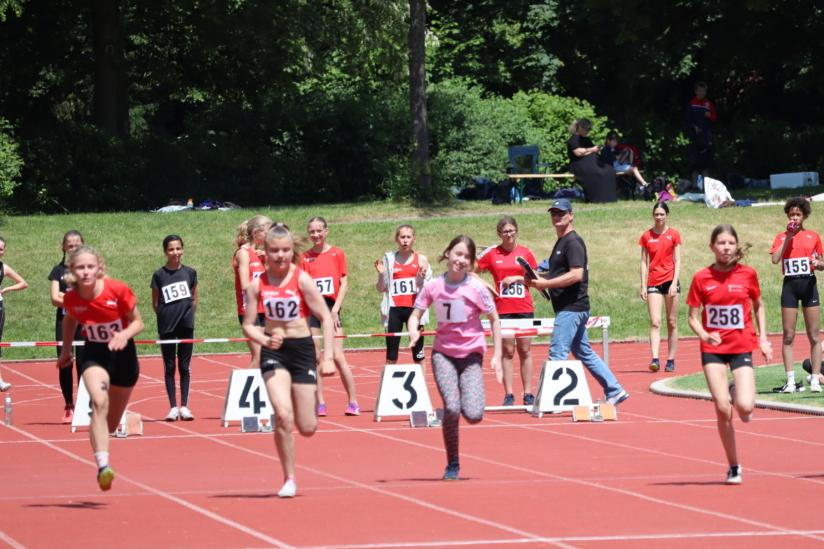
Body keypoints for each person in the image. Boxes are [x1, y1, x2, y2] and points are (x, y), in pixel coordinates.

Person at [242, 225, 335, 498]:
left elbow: (326, 317)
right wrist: (263, 340)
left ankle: (302, 401)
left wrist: (327, 357)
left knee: (307, 427)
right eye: (274, 251)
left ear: (291, 251)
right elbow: (248, 325)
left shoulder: (302, 280)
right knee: (282, 415)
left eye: (285, 250)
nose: (280, 255)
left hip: (302, 349)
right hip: (274, 350)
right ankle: (289, 478)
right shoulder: (256, 285)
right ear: (265, 253)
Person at [408, 235, 502, 480]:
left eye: (466, 257)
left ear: (471, 263)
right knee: (451, 407)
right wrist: (413, 330)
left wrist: (498, 355)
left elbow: (494, 320)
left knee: (473, 414)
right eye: (457, 254)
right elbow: (415, 314)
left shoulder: (477, 288)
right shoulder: (434, 286)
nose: (460, 260)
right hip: (443, 355)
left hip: (471, 355)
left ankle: (468, 398)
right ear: (448, 253)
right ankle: (453, 463)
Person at [686, 224, 772, 485]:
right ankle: (734, 466)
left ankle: (736, 391)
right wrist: (704, 334)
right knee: (722, 409)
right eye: (721, 243)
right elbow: (691, 318)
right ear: (712, 247)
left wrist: (764, 339)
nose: (726, 247)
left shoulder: (748, 275)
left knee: (745, 408)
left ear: (736, 246)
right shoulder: (701, 278)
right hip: (712, 348)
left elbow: (759, 306)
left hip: (741, 345)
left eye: (730, 243)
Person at [57, 246, 144, 491]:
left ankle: (102, 451)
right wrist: (65, 351)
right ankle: (103, 466)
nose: (85, 272)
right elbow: (70, 319)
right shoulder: (72, 298)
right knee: (98, 402)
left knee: (112, 424)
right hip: (94, 353)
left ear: (99, 268)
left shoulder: (117, 290)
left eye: (90, 267)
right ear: (72, 271)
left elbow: (139, 322)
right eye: (80, 267)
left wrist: (124, 334)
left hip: (123, 356)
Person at [525, 199, 629, 405]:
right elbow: (559, 273)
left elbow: (576, 275)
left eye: (561, 213)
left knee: (557, 354)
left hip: (571, 308)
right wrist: (535, 278)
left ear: (571, 215)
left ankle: (546, 402)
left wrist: (544, 284)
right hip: (573, 307)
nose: (556, 216)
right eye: (553, 213)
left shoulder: (572, 242)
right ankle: (615, 389)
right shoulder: (562, 242)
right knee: (583, 352)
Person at [476, 216, 538, 405]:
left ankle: (528, 393)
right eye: (505, 232)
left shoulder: (525, 253)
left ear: (516, 231)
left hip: (524, 307)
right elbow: (472, 270)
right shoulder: (493, 254)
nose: (509, 234)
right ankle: (509, 394)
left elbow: (536, 278)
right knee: (508, 351)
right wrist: (485, 287)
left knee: (525, 350)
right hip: (502, 309)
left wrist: (518, 279)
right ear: (499, 234)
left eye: (511, 230)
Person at [301, 216, 359, 416]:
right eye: (312, 231)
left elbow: (344, 282)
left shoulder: (337, 253)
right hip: (312, 311)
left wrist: (335, 310)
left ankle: (353, 401)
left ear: (326, 231)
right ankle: (320, 402)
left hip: (332, 308)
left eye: (319, 231)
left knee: (337, 355)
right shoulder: (304, 257)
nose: (315, 235)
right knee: (316, 357)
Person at [769, 197, 823, 393]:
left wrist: (819, 264)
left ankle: (815, 379)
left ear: (804, 216)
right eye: (791, 214)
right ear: (787, 216)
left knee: (815, 335)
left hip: (809, 284)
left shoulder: (813, 236)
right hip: (790, 286)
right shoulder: (781, 237)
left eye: (798, 215)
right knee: (788, 335)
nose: (794, 218)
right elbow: (775, 260)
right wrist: (789, 238)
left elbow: (822, 263)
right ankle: (790, 381)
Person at [151, 235, 199, 420]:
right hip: (167, 326)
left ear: (183, 249)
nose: (175, 252)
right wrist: (165, 317)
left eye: (178, 248)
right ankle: (173, 406)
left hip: (186, 325)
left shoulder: (190, 273)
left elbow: (194, 298)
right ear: (165, 252)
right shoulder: (159, 275)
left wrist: (188, 316)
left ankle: (185, 406)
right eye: (171, 249)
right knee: (169, 366)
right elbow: (155, 303)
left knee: (185, 366)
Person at [374, 224, 431, 366]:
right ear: (396, 239)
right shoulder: (389, 259)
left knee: (419, 355)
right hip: (394, 310)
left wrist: (420, 279)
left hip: (415, 310)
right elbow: (381, 288)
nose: (405, 240)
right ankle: (388, 387)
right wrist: (381, 275)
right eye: (402, 237)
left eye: (408, 237)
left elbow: (429, 288)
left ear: (414, 239)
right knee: (391, 356)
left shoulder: (421, 259)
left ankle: (422, 387)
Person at [639, 202, 682, 372]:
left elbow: (678, 260)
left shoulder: (674, 235)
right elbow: (643, 263)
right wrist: (643, 286)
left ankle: (671, 360)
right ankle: (655, 358)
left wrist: (674, 283)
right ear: (653, 216)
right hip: (653, 282)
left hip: (670, 282)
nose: (659, 217)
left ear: (667, 215)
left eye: (662, 214)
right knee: (655, 322)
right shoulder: (646, 236)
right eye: (656, 214)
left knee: (672, 322)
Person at [48, 230, 84, 420]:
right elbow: (55, 298)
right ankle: (69, 405)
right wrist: (76, 299)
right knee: (65, 363)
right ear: (63, 247)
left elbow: (92, 294)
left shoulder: (87, 269)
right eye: (70, 245)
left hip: (85, 322)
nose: (73, 248)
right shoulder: (58, 271)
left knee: (84, 363)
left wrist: (68, 298)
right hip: (64, 322)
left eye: (77, 244)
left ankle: (84, 405)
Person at [233, 215, 272, 368]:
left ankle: (263, 391)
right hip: (249, 310)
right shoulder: (243, 253)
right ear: (256, 233)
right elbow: (244, 284)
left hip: (263, 309)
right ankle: (245, 391)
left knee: (266, 356)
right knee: (259, 356)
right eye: (267, 233)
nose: (270, 237)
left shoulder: (260, 254)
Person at [566, 118, 617, 203]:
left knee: (609, 170)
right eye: (587, 129)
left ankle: (609, 198)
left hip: (591, 162)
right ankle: (596, 198)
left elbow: (588, 150)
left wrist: (594, 149)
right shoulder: (573, 139)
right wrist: (592, 150)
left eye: (590, 129)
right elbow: (578, 153)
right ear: (580, 128)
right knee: (597, 172)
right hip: (578, 164)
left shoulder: (587, 139)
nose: (588, 131)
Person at [0, 237, 28, 392]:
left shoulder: (3, 268)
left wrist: (6, 290)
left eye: (1, 248)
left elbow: (23, 283)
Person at [686, 81, 717, 185]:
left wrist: (710, 115)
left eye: (704, 91)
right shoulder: (692, 103)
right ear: (696, 91)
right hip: (695, 137)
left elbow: (714, 118)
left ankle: (707, 187)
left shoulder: (708, 104)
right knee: (695, 163)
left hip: (706, 137)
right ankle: (694, 186)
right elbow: (688, 120)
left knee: (706, 163)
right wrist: (694, 128)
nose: (702, 93)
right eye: (700, 91)